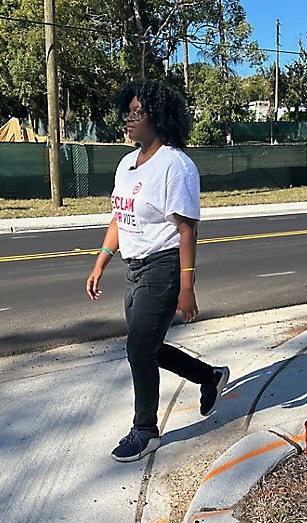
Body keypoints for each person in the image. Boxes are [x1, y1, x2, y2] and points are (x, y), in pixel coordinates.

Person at [85, 80, 230, 463]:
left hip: (163, 268)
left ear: (159, 117)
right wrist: (102, 261)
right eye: (128, 111)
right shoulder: (127, 164)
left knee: (138, 348)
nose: (129, 119)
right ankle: (208, 377)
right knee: (145, 346)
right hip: (133, 269)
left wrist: (187, 287)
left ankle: (145, 431)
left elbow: (187, 229)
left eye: (138, 112)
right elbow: (120, 216)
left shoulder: (176, 165)